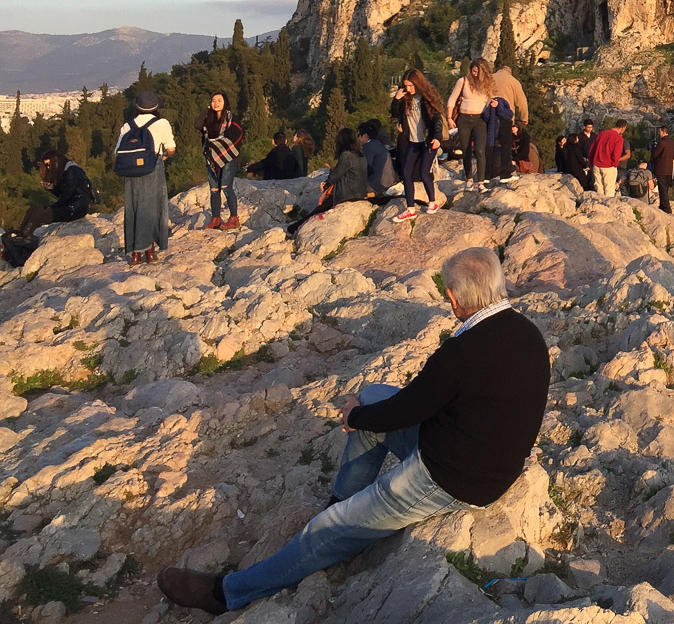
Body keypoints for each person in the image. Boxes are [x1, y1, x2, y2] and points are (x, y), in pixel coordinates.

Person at [155, 246, 550, 615]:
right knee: (374, 396)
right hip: (478, 456)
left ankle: (226, 594)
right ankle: (344, 501)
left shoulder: (462, 353)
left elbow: (410, 408)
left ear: (453, 297)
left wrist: (355, 418)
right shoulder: (527, 334)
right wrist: (364, 412)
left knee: (326, 528)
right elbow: (423, 402)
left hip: (452, 479)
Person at [2, 151, 97, 268]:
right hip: (73, 205)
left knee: (39, 215)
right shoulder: (69, 169)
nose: (48, 167)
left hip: (76, 208)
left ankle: (23, 241)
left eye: (49, 164)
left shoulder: (72, 172)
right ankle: (22, 236)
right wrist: (52, 190)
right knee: (33, 210)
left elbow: (66, 196)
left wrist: (51, 204)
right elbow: (66, 195)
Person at [116, 90, 176, 266]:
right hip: (152, 168)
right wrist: (164, 156)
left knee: (133, 208)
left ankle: (135, 254)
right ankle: (150, 252)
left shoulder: (127, 126)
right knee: (151, 208)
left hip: (130, 172)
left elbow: (117, 151)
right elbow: (171, 149)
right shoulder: (162, 123)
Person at [287, 129, 369, 235]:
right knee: (322, 207)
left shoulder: (346, 155)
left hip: (348, 194)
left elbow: (335, 175)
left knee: (321, 208)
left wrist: (326, 185)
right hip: (360, 192)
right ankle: (295, 226)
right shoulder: (361, 155)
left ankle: (295, 227)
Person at [390, 69, 446, 222]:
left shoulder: (427, 97)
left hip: (428, 141)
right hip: (413, 141)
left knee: (423, 172)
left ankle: (432, 202)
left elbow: (437, 119)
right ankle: (410, 209)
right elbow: (394, 113)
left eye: (411, 85)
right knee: (406, 173)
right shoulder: (405, 98)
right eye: (406, 86)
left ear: (418, 83)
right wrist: (397, 99)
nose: (408, 89)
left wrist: (437, 138)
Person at [194, 91, 244, 231]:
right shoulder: (209, 119)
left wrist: (217, 145)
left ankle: (234, 218)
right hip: (212, 158)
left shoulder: (231, 118)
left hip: (228, 156)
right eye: (213, 100)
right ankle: (215, 218)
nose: (215, 103)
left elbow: (235, 136)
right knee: (214, 189)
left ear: (225, 103)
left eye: (219, 100)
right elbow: (197, 124)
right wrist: (206, 110)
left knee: (226, 187)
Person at [446, 59, 495, 192]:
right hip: (464, 118)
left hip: (480, 119)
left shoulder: (488, 84)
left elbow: (492, 99)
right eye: (473, 71)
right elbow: (452, 99)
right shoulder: (463, 81)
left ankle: (481, 182)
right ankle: (469, 180)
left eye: (477, 72)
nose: (475, 74)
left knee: (480, 150)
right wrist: (449, 118)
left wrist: (494, 104)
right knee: (466, 150)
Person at [588, 120, 626, 197]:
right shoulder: (618, 138)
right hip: (608, 166)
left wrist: (591, 163)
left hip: (597, 165)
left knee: (599, 190)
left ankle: (599, 203)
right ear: (623, 128)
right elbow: (616, 154)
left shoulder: (601, 134)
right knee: (609, 190)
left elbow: (592, 149)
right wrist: (615, 164)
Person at [483, 95, 517, 183]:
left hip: (489, 124)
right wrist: (523, 119)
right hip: (504, 122)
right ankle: (505, 175)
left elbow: (485, 115)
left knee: (489, 147)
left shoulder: (487, 97)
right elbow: (521, 102)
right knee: (506, 147)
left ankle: (486, 176)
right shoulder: (505, 108)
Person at [358, 121, 397, 195]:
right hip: (388, 182)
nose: (358, 138)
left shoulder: (368, 146)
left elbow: (365, 167)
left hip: (376, 184)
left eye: (359, 135)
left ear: (365, 135)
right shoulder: (378, 144)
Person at [649, 126, 674, 214]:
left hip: (661, 168)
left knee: (662, 189)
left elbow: (655, 155)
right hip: (669, 169)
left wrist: (653, 148)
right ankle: (662, 205)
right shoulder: (673, 143)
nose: (659, 133)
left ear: (663, 132)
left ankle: (666, 207)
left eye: (659, 132)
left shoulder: (662, 143)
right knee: (665, 188)